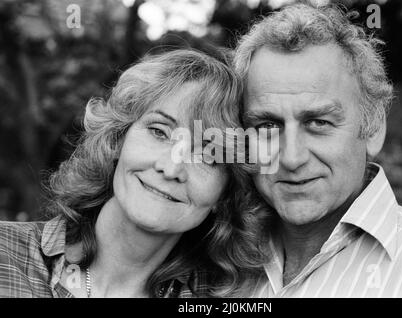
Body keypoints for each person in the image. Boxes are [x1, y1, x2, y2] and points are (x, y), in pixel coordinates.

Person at [0, 49, 268, 298]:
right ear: (118, 139)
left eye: (206, 154)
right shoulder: (6, 254)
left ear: (226, 193)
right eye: (159, 132)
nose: (171, 168)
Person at [233, 3, 402, 297]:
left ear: (373, 129)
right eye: (267, 126)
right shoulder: (216, 256)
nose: (292, 158)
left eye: (318, 122)